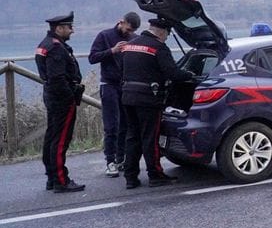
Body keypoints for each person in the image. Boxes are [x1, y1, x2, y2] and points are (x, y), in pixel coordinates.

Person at [120, 17, 193, 189]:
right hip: (148, 99)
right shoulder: (158, 47)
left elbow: (121, 70)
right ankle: (155, 174)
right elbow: (172, 73)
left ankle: (130, 177)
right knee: (150, 138)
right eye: (167, 34)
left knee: (132, 136)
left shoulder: (130, 44)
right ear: (161, 32)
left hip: (127, 96)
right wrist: (189, 75)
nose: (167, 37)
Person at [35, 12, 85, 192]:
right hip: (61, 100)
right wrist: (70, 97)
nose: (72, 30)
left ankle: (51, 177)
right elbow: (57, 78)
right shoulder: (56, 48)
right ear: (59, 28)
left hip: (52, 97)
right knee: (60, 139)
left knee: (52, 137)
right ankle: (61, 180)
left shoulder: (45, 44)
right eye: (69, 27)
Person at [88, 11, 141, 178]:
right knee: (111, 126)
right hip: (109, 85)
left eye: (132, 31)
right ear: (122, 22)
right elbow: (92, 57)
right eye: (128, 29)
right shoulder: (104, 36)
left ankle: (121, 158)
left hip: (126, 85)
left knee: (125, 124)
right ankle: (109, 161)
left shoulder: (134, 38)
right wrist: (112, 51)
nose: (129, 33)